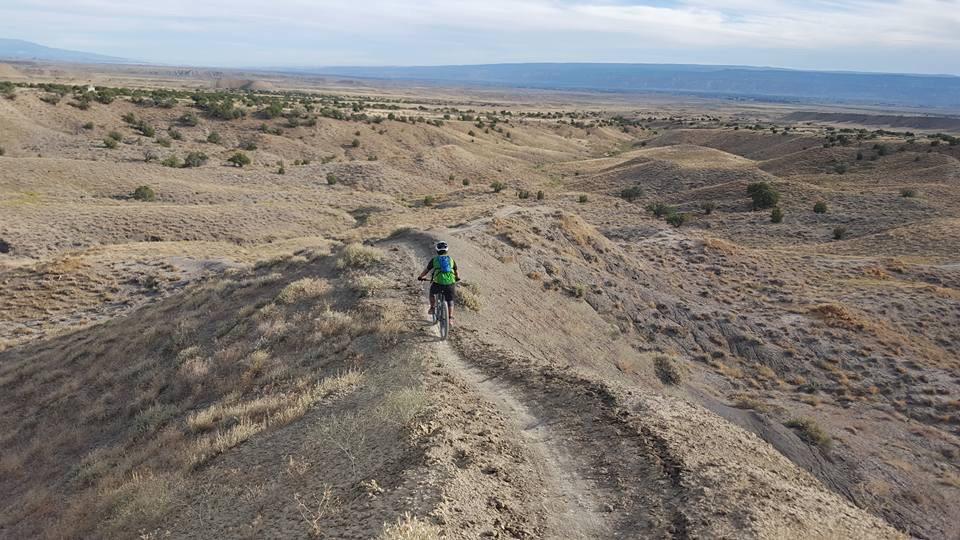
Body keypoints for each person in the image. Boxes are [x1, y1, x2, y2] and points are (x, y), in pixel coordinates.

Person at [417, 241, 460, 321]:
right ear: (447, 250)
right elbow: (456, 271)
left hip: (438, 283)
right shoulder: (451, 260)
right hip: (450, 283)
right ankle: (450, 318)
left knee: (432, 293)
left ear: (437, 251)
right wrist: (457, 278)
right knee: (450, 300)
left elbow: (426, 270)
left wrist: (420, 277)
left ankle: (432, 308)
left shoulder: (434, 260)